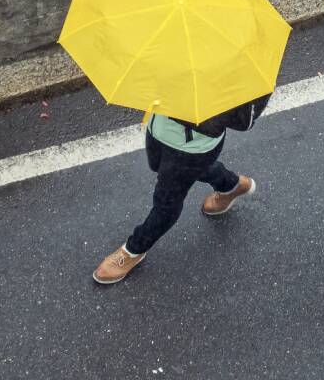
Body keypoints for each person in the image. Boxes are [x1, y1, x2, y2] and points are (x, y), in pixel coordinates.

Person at [93, 96, 269, 284]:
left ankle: (134, 250)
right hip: (158, 126)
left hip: (191, 147)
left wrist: (185, 107)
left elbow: (243, 120)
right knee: (161, 166)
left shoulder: (236, 71)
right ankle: (232, 185)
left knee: (166, 202)